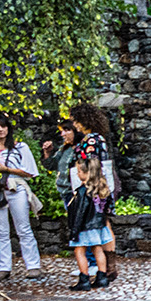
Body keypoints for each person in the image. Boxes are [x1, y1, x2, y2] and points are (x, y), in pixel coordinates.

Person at [0, 113, 43, 280]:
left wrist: (5, 169)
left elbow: (29, 172)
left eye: (3, 126)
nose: (0, 130)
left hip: (15, 187)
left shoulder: (20, 147)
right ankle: (3, 267)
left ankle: (33, 265)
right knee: (0, 231)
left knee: (23, 227)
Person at [70, 104, 119, 282]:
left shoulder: (92, 141)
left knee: (103, 224)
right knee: (103, 224)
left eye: (76, 121)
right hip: (98, 188)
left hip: (94, 189)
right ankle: (106, 267)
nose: (75, 125)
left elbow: (93, 165)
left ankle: (108, 267)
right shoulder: (95, 139)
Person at [66, 157, 114, 291]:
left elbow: (79, 213)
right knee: (97, 249)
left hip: (85, 227)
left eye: (79, 171)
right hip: (98, 225)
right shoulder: (100, 189)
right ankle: (102, 276)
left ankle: (84, 278)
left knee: (79, 251)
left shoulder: (82, 192)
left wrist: (74, 231)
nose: (77, 174)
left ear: (86, 173)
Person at [42, 118, 76, 189]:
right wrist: (47, 152)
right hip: (64, 191)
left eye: (66, 131)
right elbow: (51, 165)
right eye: (62, 131)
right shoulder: (64, 148)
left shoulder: (84, 148)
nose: (63, 134)